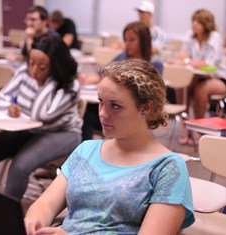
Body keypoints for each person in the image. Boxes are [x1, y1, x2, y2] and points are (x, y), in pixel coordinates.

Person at [24, 59, 195, 234]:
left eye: (115, 106)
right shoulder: (87, 150)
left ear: (146, 107)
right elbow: (46, 204)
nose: (102, 113)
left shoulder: (168, 168)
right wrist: (35, 221)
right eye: (101, 102)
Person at [0, 33, 82, 200]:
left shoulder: (69, 85)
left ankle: (7, 214)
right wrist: (10, 108)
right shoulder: (25, 71)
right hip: (27, 128)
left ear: (56, 66)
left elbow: (41, 114)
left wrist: (48, 82)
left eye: (42, 67)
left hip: (61, 133)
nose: (34, 71)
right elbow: (2, 97)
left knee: (20, 166)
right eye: (31, 63)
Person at [81, 21, 166, 140]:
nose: (127, 44)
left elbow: (153, 94)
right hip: (115, 105)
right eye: (125, 40)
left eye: (132, 40)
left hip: (136, 110)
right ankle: (91, 148)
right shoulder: (122, 57)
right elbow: (102, 74)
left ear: (143, 41)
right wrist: (85, 80)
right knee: (87, 111)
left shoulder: (155, 63)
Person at [168, 9, 226, 145]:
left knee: (201, 90)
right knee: (183, 86)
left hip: (217, 77)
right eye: (194, 21)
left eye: (198, 21)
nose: (195, 24)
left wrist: (187, 61)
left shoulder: (214, 37)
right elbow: (183, 54)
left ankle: (198, 129)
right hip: (196, 76)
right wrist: (187, 61)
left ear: (206, 24)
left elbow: (209, 64)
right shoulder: (190, 35)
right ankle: (185, 126)